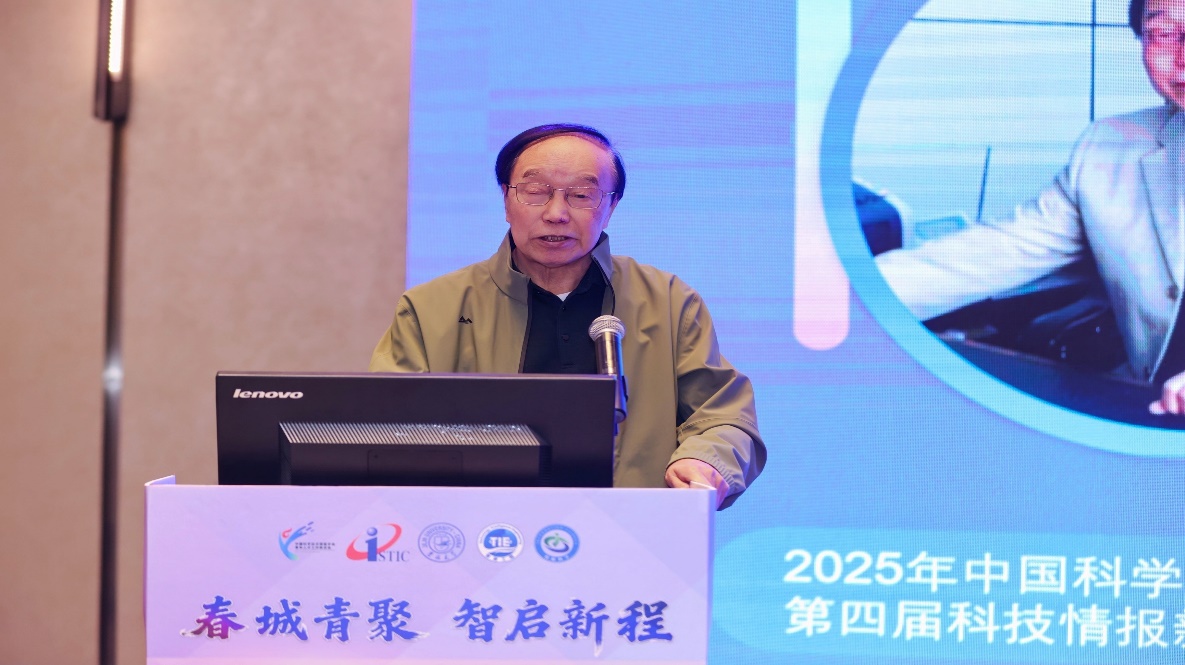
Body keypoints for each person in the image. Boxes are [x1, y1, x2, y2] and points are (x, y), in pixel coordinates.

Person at [369, 123, 765, 508]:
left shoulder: (669, 301)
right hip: (479, 535)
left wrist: (704, 461)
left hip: (632, 534)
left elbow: (722, 417)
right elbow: (385, 427)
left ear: (610, 207)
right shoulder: (431, 308)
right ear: (506, 199)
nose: (556, 213)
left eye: (581, 195)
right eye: (535, 191)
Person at [875, 0, 1185, 417]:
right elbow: (993, 252)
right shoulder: (1111, 147)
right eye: (1164, 33)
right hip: (1147, 415)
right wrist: (841, 298)